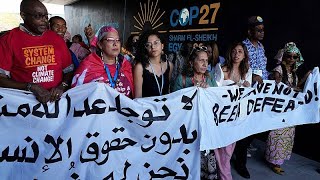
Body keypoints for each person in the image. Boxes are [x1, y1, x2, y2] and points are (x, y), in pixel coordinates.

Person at [0, 0, 73, 104]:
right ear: (23, 15)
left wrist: (62, 86)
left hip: (56, 104)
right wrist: (30, 86)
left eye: (46, 16)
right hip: (23, 105)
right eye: (38, 16)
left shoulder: (56, 39)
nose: (44, 21)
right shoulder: (8, 40)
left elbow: (69, 70)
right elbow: (1, 79)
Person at [172, 45, 218, 180]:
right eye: (201, 60)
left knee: (205, 160)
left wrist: (208, 91)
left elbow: (217, 101)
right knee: (188, 161)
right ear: (192, 63)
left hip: (205, 129)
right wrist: (192, 91)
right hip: (187, 129)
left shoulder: (210, 80)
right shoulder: (182, 79)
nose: (205, 64)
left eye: (206, 60)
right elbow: (174, 104)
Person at [233, 15, 269, 179]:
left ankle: (237, 152)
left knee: (256, 128)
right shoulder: (243, 46)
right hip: (246, 93)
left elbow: (263, 69)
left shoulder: (261, 47)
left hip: (261, 94)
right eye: (258, 30)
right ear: (250, 31)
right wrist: (252, 76)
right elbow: (239, 67)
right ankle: (240, 163)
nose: (262, 32)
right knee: (244, 129)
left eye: (263, 30)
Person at [265, 42, 304, 175]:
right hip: (279, 108)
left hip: (289, 110)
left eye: (294, 57)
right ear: (284, 56)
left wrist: (306, 77)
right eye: (289, 56)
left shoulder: (294, 73)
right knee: (277, 134)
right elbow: (277, 83)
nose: (291, 59)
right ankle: (274, 161)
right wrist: (291, 87)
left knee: (287, 135)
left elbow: (296, 87)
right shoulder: (279, 69)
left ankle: (278, 161)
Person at [214, 42, 252, 180]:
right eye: (234, 51)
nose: (236, 54)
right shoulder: (221, 68)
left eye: (240, 51)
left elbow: (248, 96)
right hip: (222, 115)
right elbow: (215, 92)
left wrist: (248, 87)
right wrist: (233, 87)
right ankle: (225, 176)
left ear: (244, 55)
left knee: (228, 150)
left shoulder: (247, 71)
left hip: (238, 116)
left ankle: (221, 174)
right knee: (222, 149)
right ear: (230, 53)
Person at [71, 25, 134, 98]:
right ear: (100, 45)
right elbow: (75, 95)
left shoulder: (125, 64)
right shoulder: (88, 66)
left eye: (118, 40)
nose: (115, 44)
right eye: (110, 40)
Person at [134, 30, 173, 98]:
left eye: (156, 43)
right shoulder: (140, 67)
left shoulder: (169, 65)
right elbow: (138, 98)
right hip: (146, 107)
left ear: (162, 45)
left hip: (164, 106)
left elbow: (168, 91)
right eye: (148, 45)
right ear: (145, 48)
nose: (153, 47)